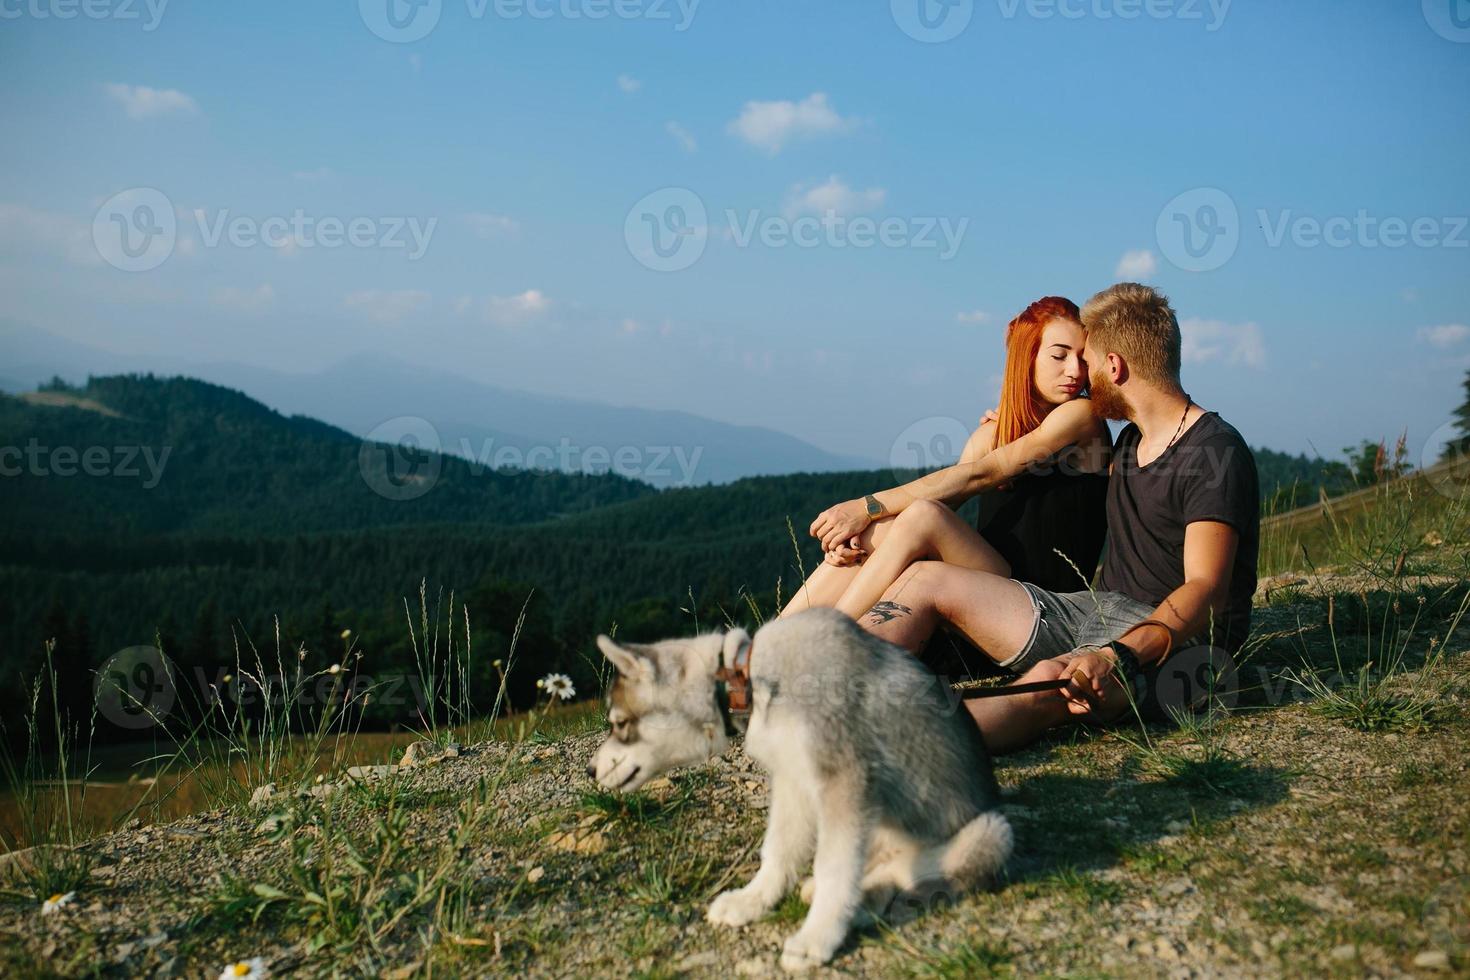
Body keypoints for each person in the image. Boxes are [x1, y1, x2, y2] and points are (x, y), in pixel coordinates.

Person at [853, 283, 1260, 753]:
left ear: (1114, 366)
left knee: (1053, 681)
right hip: (1096, 613)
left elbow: (1206, 589)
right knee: (924, 579)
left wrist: (1118, 656)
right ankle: (832, 679)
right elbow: (1025, 467)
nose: (1080, 376)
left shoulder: (1213, 451)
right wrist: (1012, 418)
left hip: (1181, 648)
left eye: (1086, 360)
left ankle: (902, 749)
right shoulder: (1127, 444)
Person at [781, 297, 1112, 622]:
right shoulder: (991, 435)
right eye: (1060, 356)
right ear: (1027, 357)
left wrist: (865, 506)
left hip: (1042, 600)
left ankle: (829, 638)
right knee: (883, 529)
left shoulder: (1082, 416)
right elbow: (947, 495)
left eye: (1083, 359)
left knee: (921, 515)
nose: (1075, 370)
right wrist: (867, 533)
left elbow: (980, 475)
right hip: (991, 582)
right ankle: (769, 648)